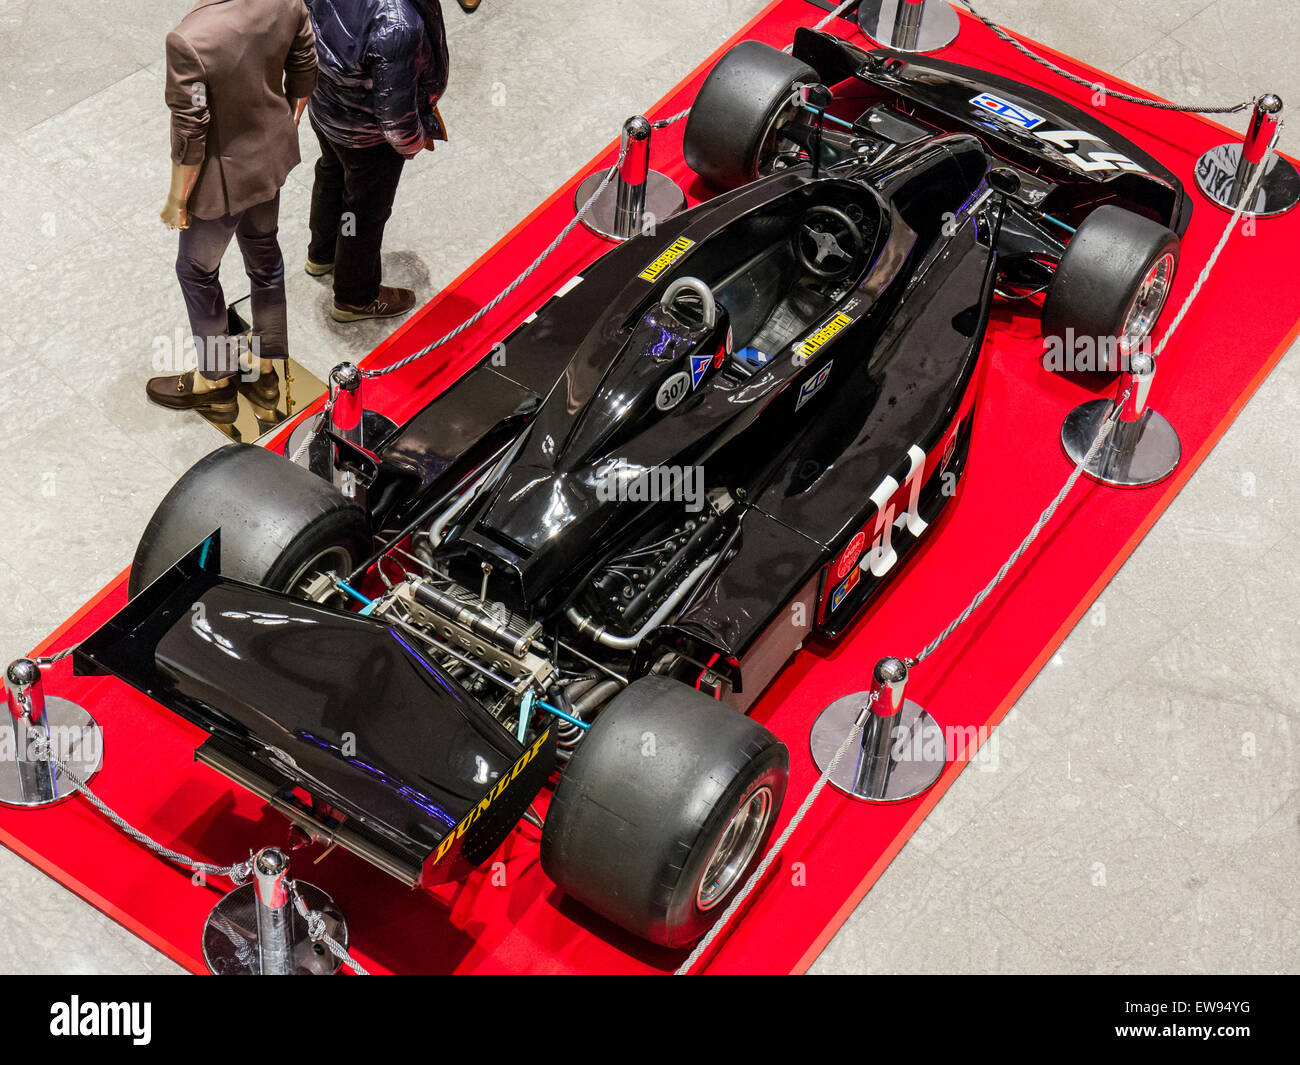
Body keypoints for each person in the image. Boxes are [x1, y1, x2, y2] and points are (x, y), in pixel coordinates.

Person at [148, 0, 318, 416]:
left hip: (220, 181)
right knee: (265, 257)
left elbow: (190, 132)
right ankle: (266, 373)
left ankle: (214, 379)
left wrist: (176, 199)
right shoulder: (286, 3)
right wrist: (284, 127)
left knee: (196, 271)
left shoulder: (189, 39)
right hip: (269, 161)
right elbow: (305, 71)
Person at [305, 0, 449, 323]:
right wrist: (416, 139)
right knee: (365, 210)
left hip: (325, 106)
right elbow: (396, 120)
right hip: (366, 136)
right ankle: (355, 296)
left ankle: (322, 254)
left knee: (331, 173)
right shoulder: (398, 23)